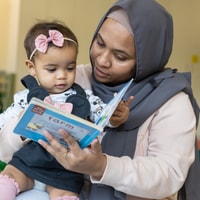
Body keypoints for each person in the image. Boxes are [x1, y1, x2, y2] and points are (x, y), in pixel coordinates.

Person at [37, 0, 200, 200]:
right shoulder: (75, 78)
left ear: (147, 60)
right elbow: (7, 143)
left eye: (120, 56)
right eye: (100, 43)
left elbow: (169, 175)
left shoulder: (172, 101)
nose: (102, 60)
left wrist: (102, 166)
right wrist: (25, 131)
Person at [0, 21, 132, 200]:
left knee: (66, 195)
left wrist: (114, 117)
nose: (62, 75)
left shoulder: (84, 96)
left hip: (66, 170)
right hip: (28, 161)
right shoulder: (26, 96)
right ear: (32, 68)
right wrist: (20, 121)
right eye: (52, 69)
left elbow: (102, 115)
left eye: (70, 68)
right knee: (8, 179)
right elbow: (4, 120)